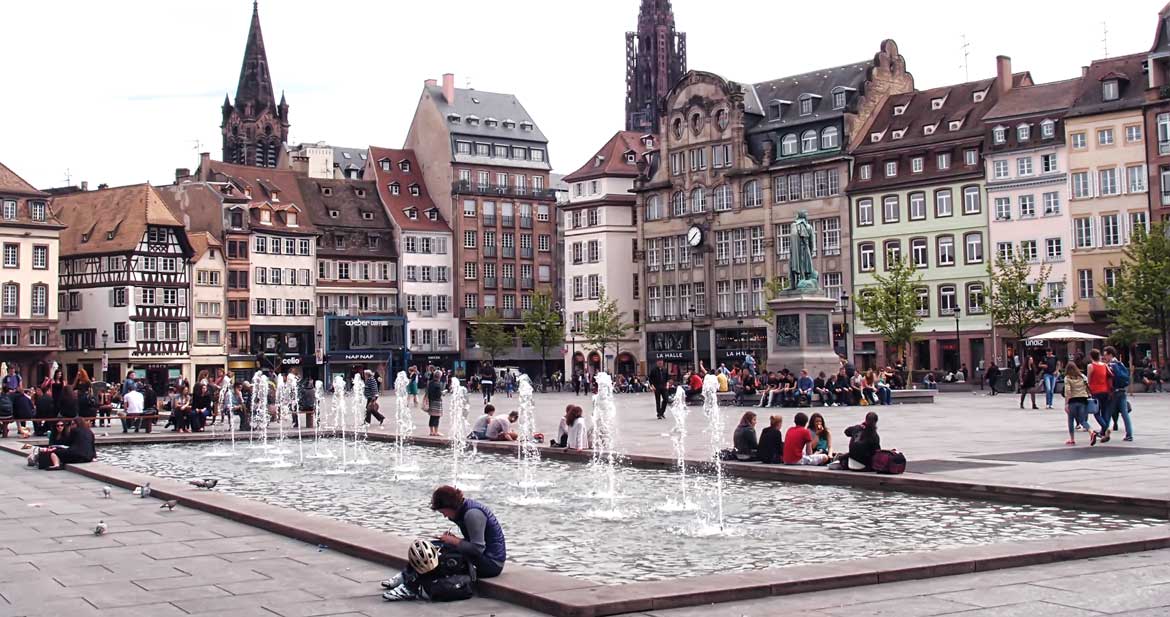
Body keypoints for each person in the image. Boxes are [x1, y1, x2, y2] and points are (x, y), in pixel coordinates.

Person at [381, 486, 506, 601]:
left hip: (490, 564)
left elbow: (478, 548)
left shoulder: (472, 514)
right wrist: (453, 540)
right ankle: (406, 575)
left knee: (440, 558)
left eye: (443, 512)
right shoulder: (464, 509)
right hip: (480, 557)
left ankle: (410, 587)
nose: (445, 516)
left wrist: (455, 541)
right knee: (429, 547)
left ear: (450, 506)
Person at [1103, 346, 1133, 442]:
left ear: (1110, 355)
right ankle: (1129, 434)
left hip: (1114, 392)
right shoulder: (1120, 364)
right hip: (1122, 391)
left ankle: (1103, 432)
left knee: (1108, 412)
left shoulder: (1110, 365)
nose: (1104, 357)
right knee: (1125, 414)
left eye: (1105, 355)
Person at [1062, 363, 1091, 445]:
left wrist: (1066, 404)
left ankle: (1072, 439)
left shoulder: (1067, 378)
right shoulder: (1082, 376)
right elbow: (1087, 386)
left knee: (1070, 419)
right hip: (1083, 399)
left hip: (1073, 400)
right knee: (1082, 420)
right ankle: (1091, 432)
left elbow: (1067, 391)